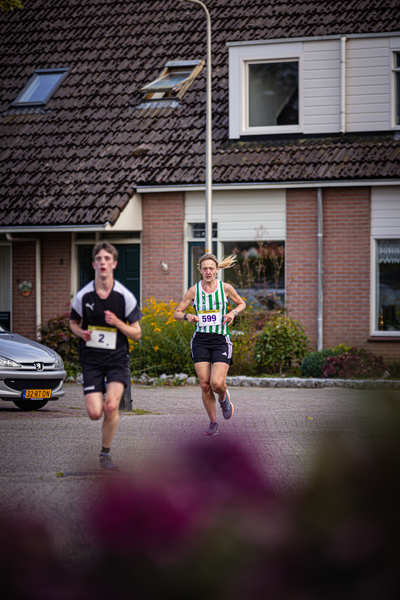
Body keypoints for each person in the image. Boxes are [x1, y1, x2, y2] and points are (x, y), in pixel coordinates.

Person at [69, 242, 142, 471]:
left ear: (114, 263)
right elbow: (73, 323)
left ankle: (105, 455)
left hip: (117, 359)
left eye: (107, 258)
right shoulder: (84, 295)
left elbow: (137, 334)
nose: (103, 262)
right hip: (91, 359)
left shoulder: (124, 296)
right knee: (94, 413)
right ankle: (97, 399)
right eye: (98, 258)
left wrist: (118, 323)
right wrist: (81, 332)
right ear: (93, 264)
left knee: (111, 407)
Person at [173, 253, 246, 436]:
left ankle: (223, 397)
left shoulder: (226, 288)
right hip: (201, 340)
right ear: (200, 270)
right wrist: (187, 316)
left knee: (217, 383)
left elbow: (241, 304)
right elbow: (177, 312)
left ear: (216, 270)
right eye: (204, 268)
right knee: (205, 385)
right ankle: (213, 423)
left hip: (221, 340)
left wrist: (232, 314)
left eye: (211, 268)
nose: (208, 271)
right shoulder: (193, 290)